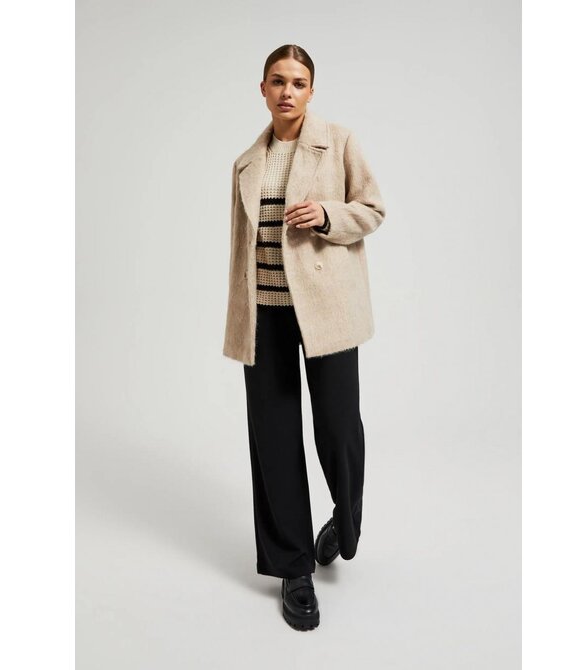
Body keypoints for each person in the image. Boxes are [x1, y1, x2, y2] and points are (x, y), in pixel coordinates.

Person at [222, 44, 386, 631]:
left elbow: (373, 209)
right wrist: (237, 316)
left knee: (338, 425)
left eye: (298, 82)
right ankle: (293, 566)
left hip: (327, 308)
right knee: (273, 437)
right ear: (262, 89)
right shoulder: (246, 163)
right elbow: (241, 249)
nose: (287, 91)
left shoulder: (338, 142)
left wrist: (327, 216)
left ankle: (345, 517)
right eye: (277, 81)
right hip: (264, 312)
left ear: (311, 91)